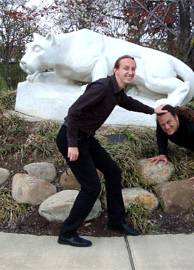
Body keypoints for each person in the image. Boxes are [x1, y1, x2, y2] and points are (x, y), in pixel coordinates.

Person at [56, 55, 166, 247]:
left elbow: (130, 103)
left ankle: (116, 221)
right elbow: (74, 112)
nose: (130, 72)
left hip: (86, 138)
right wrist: (72, 143)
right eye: (126, 68)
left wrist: (152, 110)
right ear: (116, 70)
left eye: (133, 69)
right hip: (71, 138)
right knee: (91, 187)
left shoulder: (117, 91)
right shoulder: (102, 87)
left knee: (113, 171)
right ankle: (67, 233)